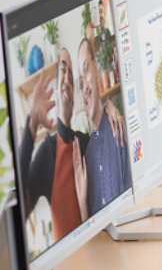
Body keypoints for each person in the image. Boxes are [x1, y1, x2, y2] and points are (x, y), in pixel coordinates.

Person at [17, 48, 87, 240]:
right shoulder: (46, 152)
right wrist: (32, 123)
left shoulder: (85, 143)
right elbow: (19, 209)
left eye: (71, 77)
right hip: (65, 268)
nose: (67, 78)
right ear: (57, 89)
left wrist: (111, 108)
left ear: (73, 96)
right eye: (63, 71)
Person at [77, 37, 130, 215]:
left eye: (86, 70)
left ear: (97, 69)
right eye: (80, 82)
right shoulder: (88, 154)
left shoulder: (118, 127)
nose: (84, 86)